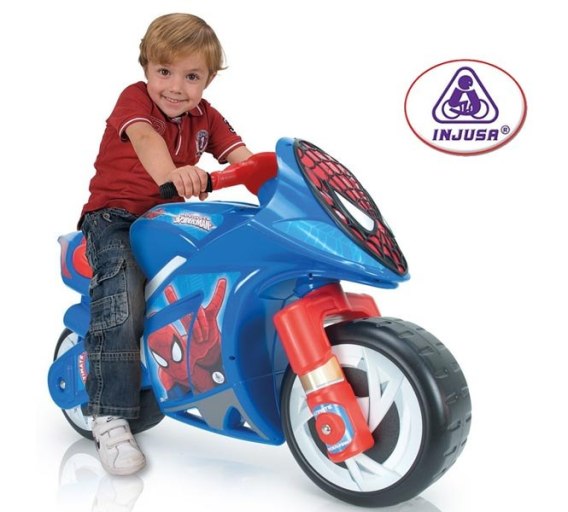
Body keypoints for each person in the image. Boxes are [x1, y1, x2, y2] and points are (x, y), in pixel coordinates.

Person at [79, 13, 253, 476]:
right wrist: (173, 175)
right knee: (123, 294)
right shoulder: (135, 100)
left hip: (167, 221)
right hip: (114, 218)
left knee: (212, 277)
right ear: (146, 69)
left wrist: (274, 178)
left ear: (208, 80)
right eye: (164, 71)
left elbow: (242, 157)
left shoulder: (206, 116)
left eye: (192, 76)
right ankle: (109, 416)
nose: (176, 87)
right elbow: (145, 138)